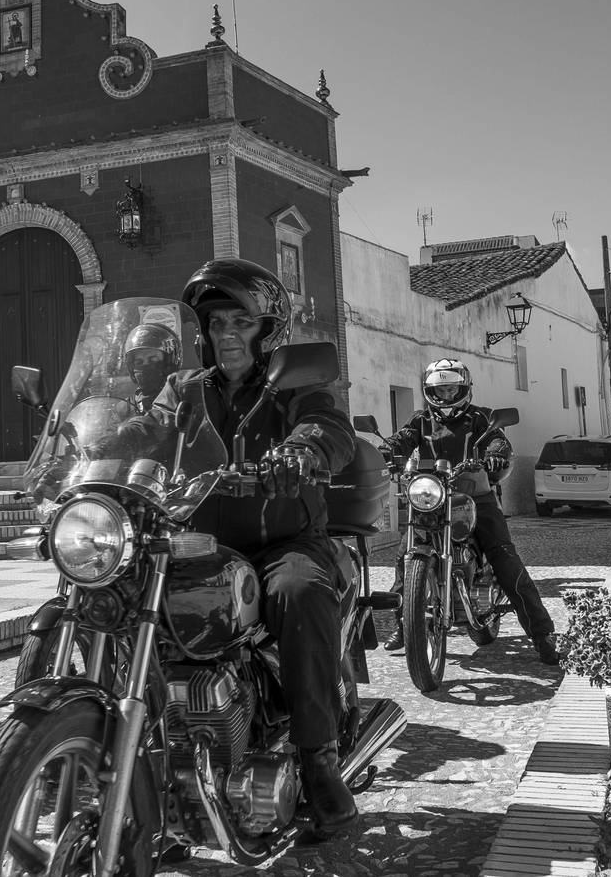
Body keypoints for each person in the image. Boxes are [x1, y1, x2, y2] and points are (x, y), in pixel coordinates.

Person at [124, 258, 360, 841]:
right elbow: (147, 432)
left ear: (267, 331)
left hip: (281, 542)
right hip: (201, 545)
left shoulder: (294, 384)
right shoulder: (183, 390)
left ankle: (318, 760)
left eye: (240, 323)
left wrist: (304, 450)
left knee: (300, 592)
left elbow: (330, 428)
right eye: (214, 324)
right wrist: (94, 438)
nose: (225, 335)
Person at [379, 359, 559, 665]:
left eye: (452, 389)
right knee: (403, 557)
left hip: (475, 495)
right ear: (429, 392)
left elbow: (497, 439)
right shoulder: (420, 421)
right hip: (432, 497)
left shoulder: (481, 418)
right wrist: (385, 452)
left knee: (505, 557)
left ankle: (543, 635)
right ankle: (405, 622)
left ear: (464, 389)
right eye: (440, 390)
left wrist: (495, 456)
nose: (446, 396)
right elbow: (402, 440)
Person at [122, 322, 183, 412]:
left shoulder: (184, 400)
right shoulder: (125, 409)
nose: (146, 365)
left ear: (170, 362)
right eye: (139, 362)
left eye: (153, 359)